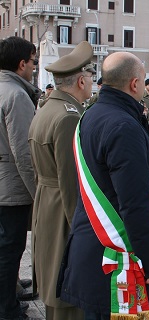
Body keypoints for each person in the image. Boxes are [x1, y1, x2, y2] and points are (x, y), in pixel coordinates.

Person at [58, 52, 149, 319]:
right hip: (113, 259)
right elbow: (135, 204)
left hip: (90, 248)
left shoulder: (92, 114)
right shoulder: (123, 126)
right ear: (134, 84)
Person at [29, 41, 95, 320]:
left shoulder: (47, 109)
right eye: (91, 76)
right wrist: (83, 235)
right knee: (69, 297)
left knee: (54, 285)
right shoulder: (69, 118)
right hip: (62, 213)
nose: (92, 82)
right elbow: (71, 183)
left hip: (47, 203)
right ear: (81, 80)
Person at [0, 36, 41, 320]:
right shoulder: (15, 95)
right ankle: (7, 307)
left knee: (6, 246)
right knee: (10, 248)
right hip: (11, 187)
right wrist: (38, 193)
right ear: (21, 63)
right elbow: (24, 154)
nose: (35, 68)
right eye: (33, 62)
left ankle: (10, 288)